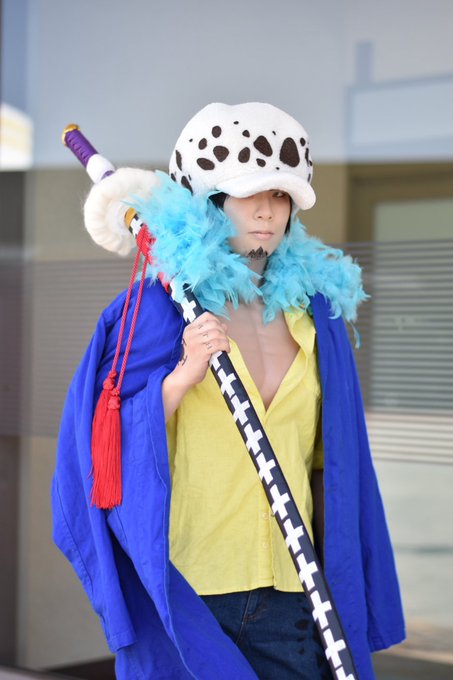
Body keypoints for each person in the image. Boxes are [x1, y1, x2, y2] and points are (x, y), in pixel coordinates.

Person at [52, 102, 405, 680]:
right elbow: (100, 451)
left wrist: (346, 583)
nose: (267, 210)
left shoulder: (315, 316)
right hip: (194, 593)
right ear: (210, 201)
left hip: (294, 593)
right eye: (248, 193)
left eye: (281, 194)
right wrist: (181, 375)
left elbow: (335, 466)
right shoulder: (156, 311)